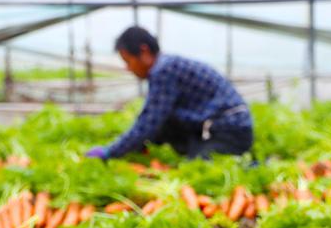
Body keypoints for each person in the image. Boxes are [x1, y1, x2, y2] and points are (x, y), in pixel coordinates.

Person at [86, 27, 253, 161]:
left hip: (231, 130)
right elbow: (156, 121)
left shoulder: (164, 70)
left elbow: (149, 121)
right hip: (210, 128)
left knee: (198, 167)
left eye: (128, 61)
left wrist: (111, 151)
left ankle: (248, 163)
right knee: (164, 125)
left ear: (144, 52)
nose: (128, 68)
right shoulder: (166, 66)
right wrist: (133, 145)